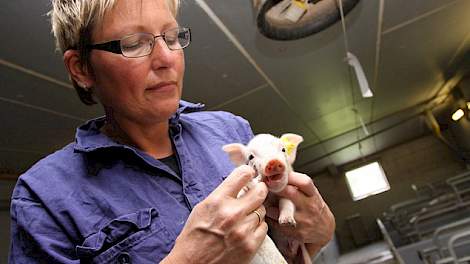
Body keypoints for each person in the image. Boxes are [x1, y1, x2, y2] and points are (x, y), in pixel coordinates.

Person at [9, 0, 335, 263]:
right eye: (134, 43)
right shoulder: (42, 198)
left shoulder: (231, 130)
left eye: (172, 36)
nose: (167, 58)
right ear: (82, 68)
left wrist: (313, 237)